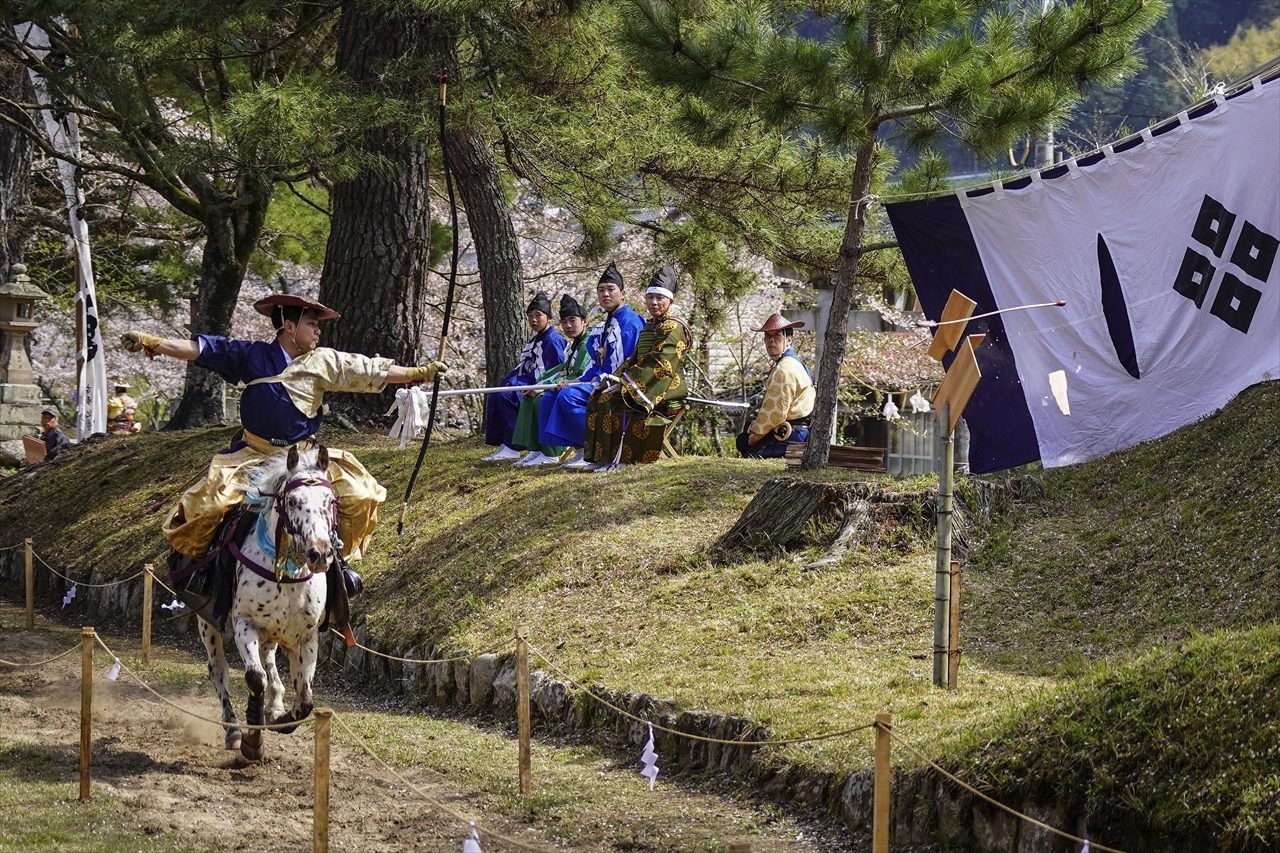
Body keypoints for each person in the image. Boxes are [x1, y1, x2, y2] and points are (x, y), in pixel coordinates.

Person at [120, 293, 446, 576]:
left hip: (305, 458)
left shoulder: (323, 361)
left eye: (318, 325)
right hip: (253, 454)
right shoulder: (252, 356)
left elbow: (369, 369)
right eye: (312, 324)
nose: (318, 331)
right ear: (289, 326)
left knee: (360, 495)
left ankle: (338, 566)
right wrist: (153, 342)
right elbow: (200, 349)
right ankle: (202, 571)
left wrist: (418, 373)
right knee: (211, 505)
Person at [582, 264, 689, 470]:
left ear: (671, 301)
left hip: (663, 388)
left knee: (620, 401)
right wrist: (609, 381)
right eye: (650, 297)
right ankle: (602, 457)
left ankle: (624, 458)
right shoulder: (649, 325)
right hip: (642, 383)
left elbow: (660, 364)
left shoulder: (674, 327)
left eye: (659, 298)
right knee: (600, 396)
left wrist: (626, 385)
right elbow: (634, 359)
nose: (654, 302)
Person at [540, 262, 645, 468]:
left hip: (618, 384)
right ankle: (581, 450)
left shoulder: (631, 322)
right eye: (601, 290)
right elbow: (594, 366)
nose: (605, 294)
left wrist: (612, 382)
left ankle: (599, 449)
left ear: (623, 293)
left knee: (568, 397)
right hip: (598, 382)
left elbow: (630, 362)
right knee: (550, 397)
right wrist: (575, 381)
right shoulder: (602, 326)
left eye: (611, 289)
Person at [481, 292, 567, 462]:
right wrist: (509, 381)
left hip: (544, 385)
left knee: (507, 397)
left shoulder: (553, 340)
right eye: (530, 316)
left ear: (549, 318)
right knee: (495, 396)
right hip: (529, 382)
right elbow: (523, 366)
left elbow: (551, 370)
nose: (533, 320)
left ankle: (513, 447)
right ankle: (503, 443)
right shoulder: (535, 340)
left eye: (538, 315)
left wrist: (517, 383)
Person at [511, 293, 592, 467]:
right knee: (530, 397)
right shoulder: (575, 344)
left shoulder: (586, 343)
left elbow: (578, 373)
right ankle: (536, 449)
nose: (568, 326)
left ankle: (551, 452)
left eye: (573, 320)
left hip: (584, 385)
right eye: (564, 322)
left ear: (585, 321)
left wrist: (545, 387)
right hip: (567, 384)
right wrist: (539, 384)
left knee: (543, 398)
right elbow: (561, 369)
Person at [736, 313, 815, 458]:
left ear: (788, 340)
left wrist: (754, 437)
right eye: (767, 335)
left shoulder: (784, 369)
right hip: (797, 432)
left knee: (743, 442)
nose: (770, 340)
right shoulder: (794, 363)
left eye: (777, 335)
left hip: (789, 436)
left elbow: (776, 412)